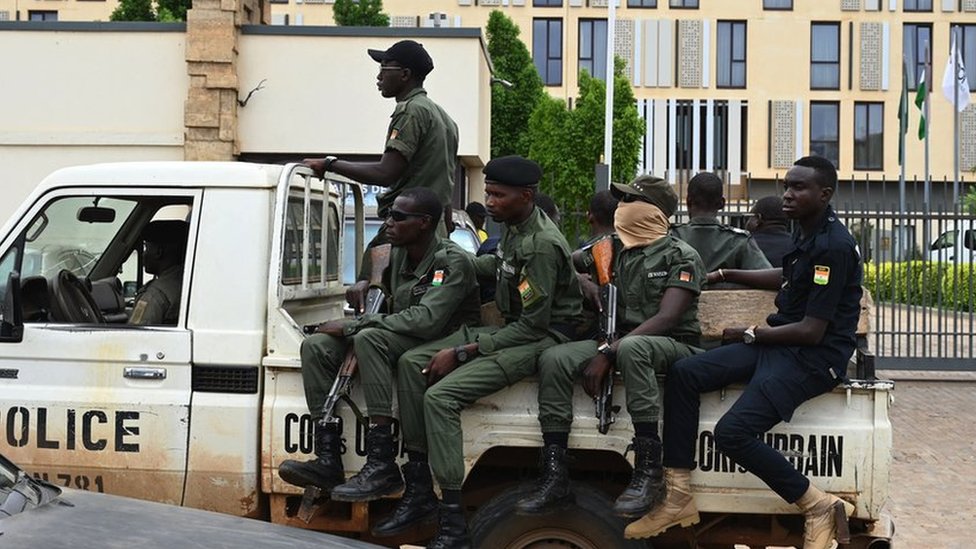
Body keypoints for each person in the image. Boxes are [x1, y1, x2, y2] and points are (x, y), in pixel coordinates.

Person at [625, 156, 862, 549]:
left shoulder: (834, 246)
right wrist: (725, 273)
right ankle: (678, 494)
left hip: (814, 359)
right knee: (685, 373)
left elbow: (811, 330)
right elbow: (790, 277)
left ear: (825, 194)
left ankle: (816, 504)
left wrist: (750, 333)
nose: (788, 193)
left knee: (732, 433)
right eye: (787, 185)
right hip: (781, 344)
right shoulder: (808, 231)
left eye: (799, 187)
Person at [392, 156, 585, 548]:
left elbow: (533, 324)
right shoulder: (515, 230)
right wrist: (450, 257)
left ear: (526, 196)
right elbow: (498, 270)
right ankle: (418, 485)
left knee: (441, 397)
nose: (490, 201)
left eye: (498, 195)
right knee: (412, 362)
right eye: (488, 193)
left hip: (542, 337)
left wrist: (465, 351)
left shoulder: (541, 245)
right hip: (513, 330)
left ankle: (451, 520)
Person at [276, 188, 481, 537]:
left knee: (367, 337)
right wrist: (364, 285)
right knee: (316, 347)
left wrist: (356, 325)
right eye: (389, 215)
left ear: (424, 224)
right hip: (403, 330)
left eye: (398, 217)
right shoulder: (398, 254)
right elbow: (382, 293)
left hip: (445, 334)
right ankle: (327, 459)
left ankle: (382, 458)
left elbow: (427, 320)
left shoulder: (451, 261)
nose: (389, 222)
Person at [517, 175, 705, 520]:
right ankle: (555, 469)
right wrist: (582, 282)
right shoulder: (611, 246)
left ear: (654, 212)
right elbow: (563, 262)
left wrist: (608, 352)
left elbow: (667, 318)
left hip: (672, 345)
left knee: (634, 349)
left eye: (630, 202)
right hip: (614, 338)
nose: (621, 209)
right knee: (554, 358)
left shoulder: (681, 255)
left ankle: (649, 470)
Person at [303, 39, 460, 309]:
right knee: (423, 303)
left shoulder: (411, 111)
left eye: (385, 67)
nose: (378, 76)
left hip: (406, 231)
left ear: (405, 74)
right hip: (433, 232)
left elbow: (386, 172)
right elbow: (445, 189)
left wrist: (329, 164)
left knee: (369, 299)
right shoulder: (445, 119)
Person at [670, 172, 771, 274]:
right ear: (722, 203)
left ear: (688, 201)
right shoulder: (739, 241)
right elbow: (767, 276)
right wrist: (724, 276)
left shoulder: (671, 237)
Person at [129, 220, 189, 326]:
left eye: (146, 248)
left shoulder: (155, 295)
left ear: (158, 252)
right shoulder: (189, 282)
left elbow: (135, 335)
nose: (143, 255)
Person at [747, 195, 794, 268]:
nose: (747, 222)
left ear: (758, 219)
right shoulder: (799, 245)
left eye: (750, 217)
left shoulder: (745, 245)